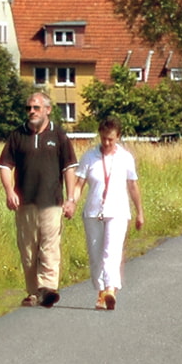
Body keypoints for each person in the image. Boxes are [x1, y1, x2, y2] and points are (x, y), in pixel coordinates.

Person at [0, 91, 79, 308]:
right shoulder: (18, 136)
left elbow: (69, 168)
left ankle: (48, 288)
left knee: (49, 246)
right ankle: (33, 292)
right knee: (28, 250)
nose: (31, 112)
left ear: (48, 110)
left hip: (52, 202)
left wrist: (71, 199)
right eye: (28, 108)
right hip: (24, 203)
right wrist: (9, 191)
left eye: (36, 108)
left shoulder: (59, 136)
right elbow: (5, 166)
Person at [73, 117, 145, 310]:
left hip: (118, 211)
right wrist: (71, 202)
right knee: (96, 255)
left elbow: (133, 185)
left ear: (118, 137)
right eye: (104, 138)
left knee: (110, 252)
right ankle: (101, 292)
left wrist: (140, 212)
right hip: (94, 212)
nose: (106, 143)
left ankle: (110, 291)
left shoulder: (125, 157)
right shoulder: (89, 157)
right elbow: (79, 184)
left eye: (111, 139)